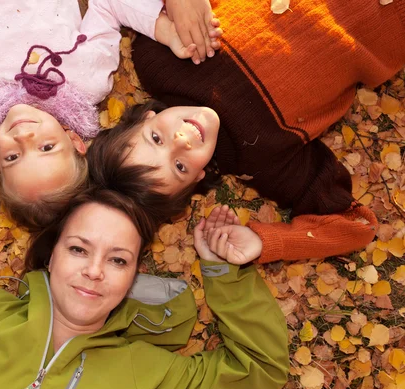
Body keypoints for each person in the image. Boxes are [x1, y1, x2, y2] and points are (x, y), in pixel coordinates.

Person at [0, 123, 288, 389]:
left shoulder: (150, 375)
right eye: (79, 249)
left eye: (118, 260)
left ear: (131, 278)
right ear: (51, 258)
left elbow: (259, 372)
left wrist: (224, 274)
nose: (94, 271)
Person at [87, 0, 405, 263]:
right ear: (198, 178)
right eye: (180, 166)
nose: (182, 141)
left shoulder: (159, 58)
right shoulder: (265, 163)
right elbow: (358, 226)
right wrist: (266, 242)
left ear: (144, 119)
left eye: (156, 138)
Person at [0, 0, 222, 230]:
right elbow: (106, 5)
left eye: (14, 156)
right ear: (74, 139)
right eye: (47, 147)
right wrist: (164, 30)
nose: (24, 137)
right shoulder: (87, 82)